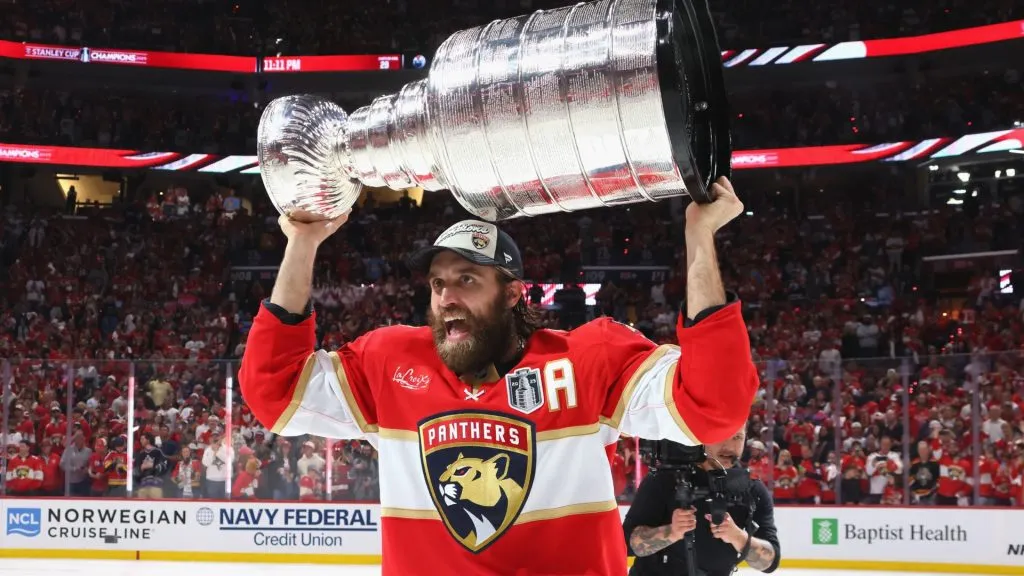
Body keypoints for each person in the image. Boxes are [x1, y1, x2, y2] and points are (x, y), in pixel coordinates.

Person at [240, 177, 757, 575]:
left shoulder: (586, 361)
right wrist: (302, 244)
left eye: (467, 280)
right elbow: (275, 393)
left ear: (512, 294)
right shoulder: (391, 363)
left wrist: (700, 237)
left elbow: (714, 406)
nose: (446, 298)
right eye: (438, 283)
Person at [623, 428, 780, 576]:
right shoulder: (665, 479)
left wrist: (738, 537)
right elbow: (627, 544)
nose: (729, 446)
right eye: (721, 434)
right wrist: (671, 532)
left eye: (737, 437)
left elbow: (770, 562)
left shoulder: (752, 489)